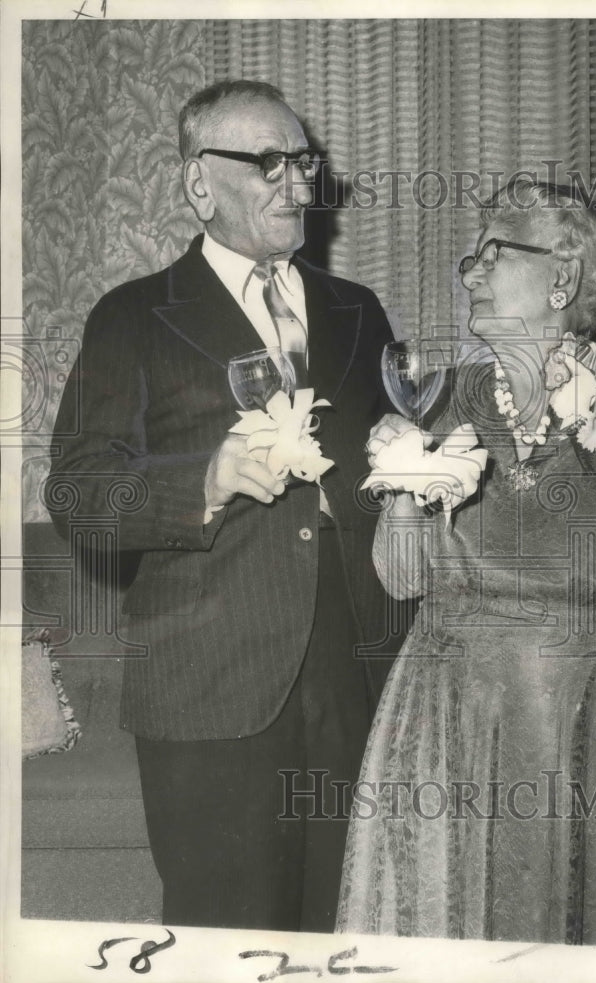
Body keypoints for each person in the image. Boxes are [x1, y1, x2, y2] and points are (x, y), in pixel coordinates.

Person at [336, 179, 596, 948]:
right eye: (470, 258)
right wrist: (401, 482)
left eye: (494, 253)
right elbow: (401, 579)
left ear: (562, 278)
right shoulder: (437, 397)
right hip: (451, 722)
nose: (472, 272)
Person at [46, 79, 400, 933]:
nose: (298, 183)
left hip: (355, 678)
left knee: (344, 936)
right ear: (199, 184)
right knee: (224, 942)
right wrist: (201, 482)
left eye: (303, 160)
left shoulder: (358, 311)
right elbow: (79, 492)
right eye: (268, 162)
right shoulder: (132, 316)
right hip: (208, 687)